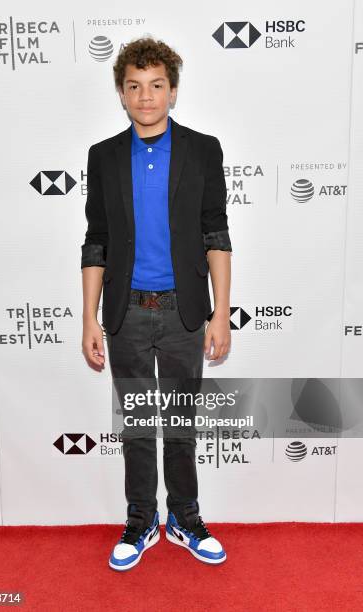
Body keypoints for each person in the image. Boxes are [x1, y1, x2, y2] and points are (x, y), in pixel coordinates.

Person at [81, 36, 232, 571]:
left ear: (172, 90)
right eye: (134, 86)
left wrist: (220, 312)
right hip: (125, 314)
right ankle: (141, 520)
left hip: (183, 313)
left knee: (181, 427)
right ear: (121, 94)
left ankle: (185, 519)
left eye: (157, 85)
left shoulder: (202, 149)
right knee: (139, 428)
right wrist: (90, 319)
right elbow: (96, 239)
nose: (146, 97)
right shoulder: (103, 156)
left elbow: (216, 231)